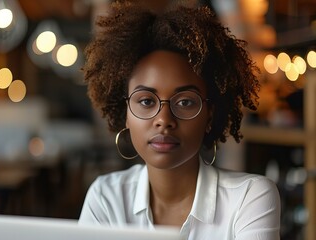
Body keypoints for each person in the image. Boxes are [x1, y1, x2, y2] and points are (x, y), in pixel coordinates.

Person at [78, 1, 281, 240]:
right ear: (126, 114)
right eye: (146, 101)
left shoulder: (249, 198)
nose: (164, 120)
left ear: (209, 116)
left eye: (185, 102)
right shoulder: (106, 197)